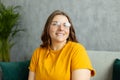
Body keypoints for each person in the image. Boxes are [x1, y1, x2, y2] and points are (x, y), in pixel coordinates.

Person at [28, 10, 95, 80]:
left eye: (65, 25)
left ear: (69, 29)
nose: (61, 28)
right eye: (55, 24)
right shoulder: (38, 52)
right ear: (47, 28)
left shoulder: (77, 50)